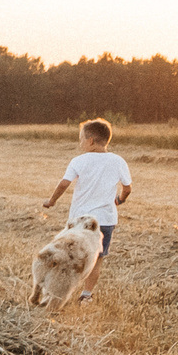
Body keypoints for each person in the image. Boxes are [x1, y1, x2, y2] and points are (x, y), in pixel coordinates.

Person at [37, 117, 130, 305]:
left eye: (81, 139)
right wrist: (119, 200)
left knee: (66, 256)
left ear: (91, 140)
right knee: (97, 259)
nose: (80, 143)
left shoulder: (79, 161)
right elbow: (127, 188)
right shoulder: (118, 161)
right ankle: (86, 295)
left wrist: (52, 201)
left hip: (79, 221)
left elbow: (64, 183)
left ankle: (53, 291)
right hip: (104, 221)